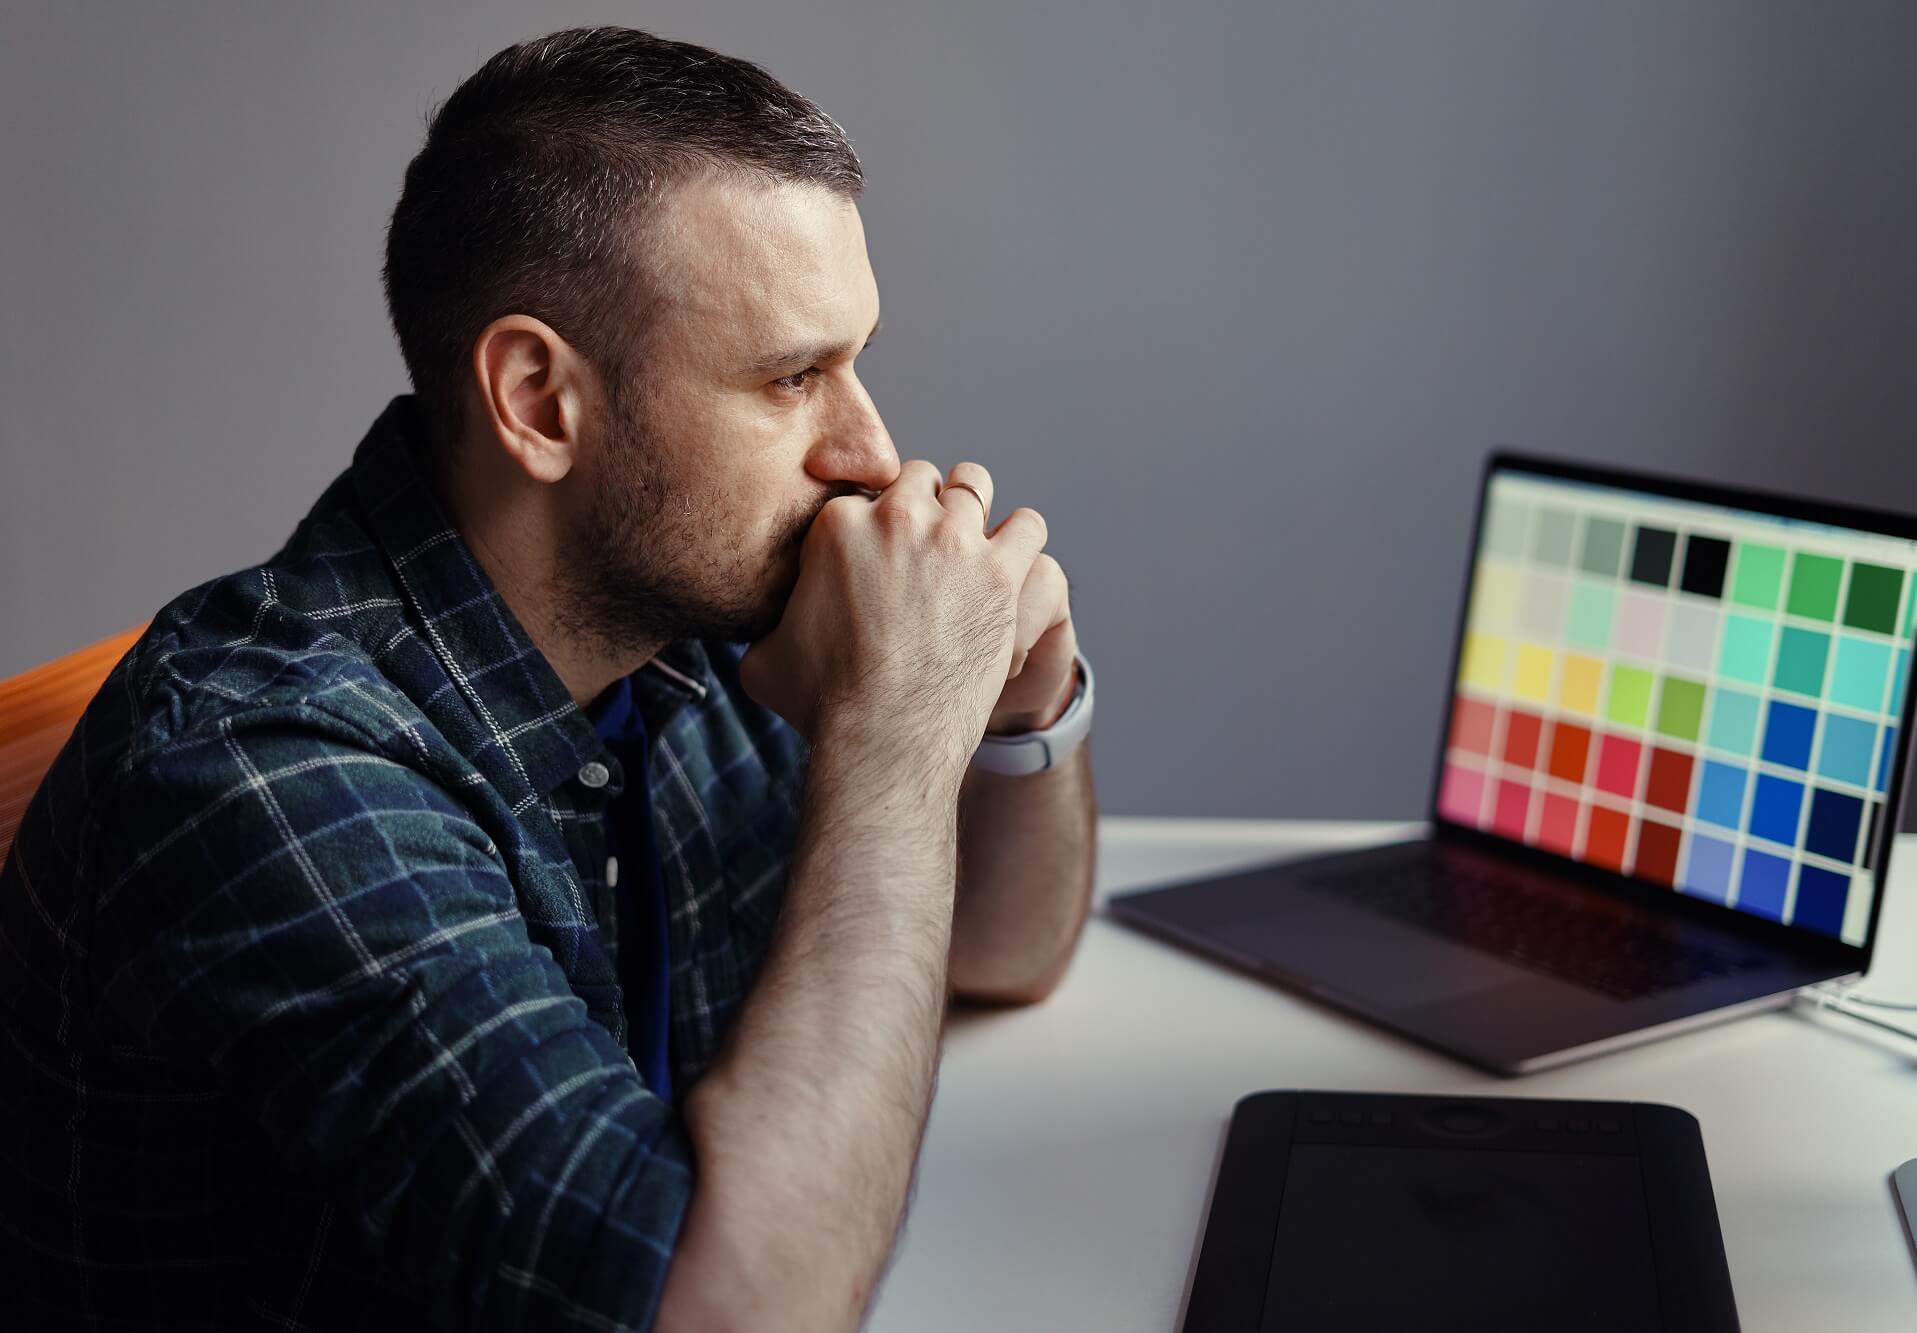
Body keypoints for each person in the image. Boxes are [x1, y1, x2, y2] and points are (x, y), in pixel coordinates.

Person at [0, 27, 1096, 1333]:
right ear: (539, 400)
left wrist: (1018, 706)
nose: (872, 450)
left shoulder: (678, 632)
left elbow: (996, 951)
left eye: (853, 361)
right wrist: (901, 727)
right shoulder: (262, 769)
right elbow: (745, 1312)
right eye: (793, 377)